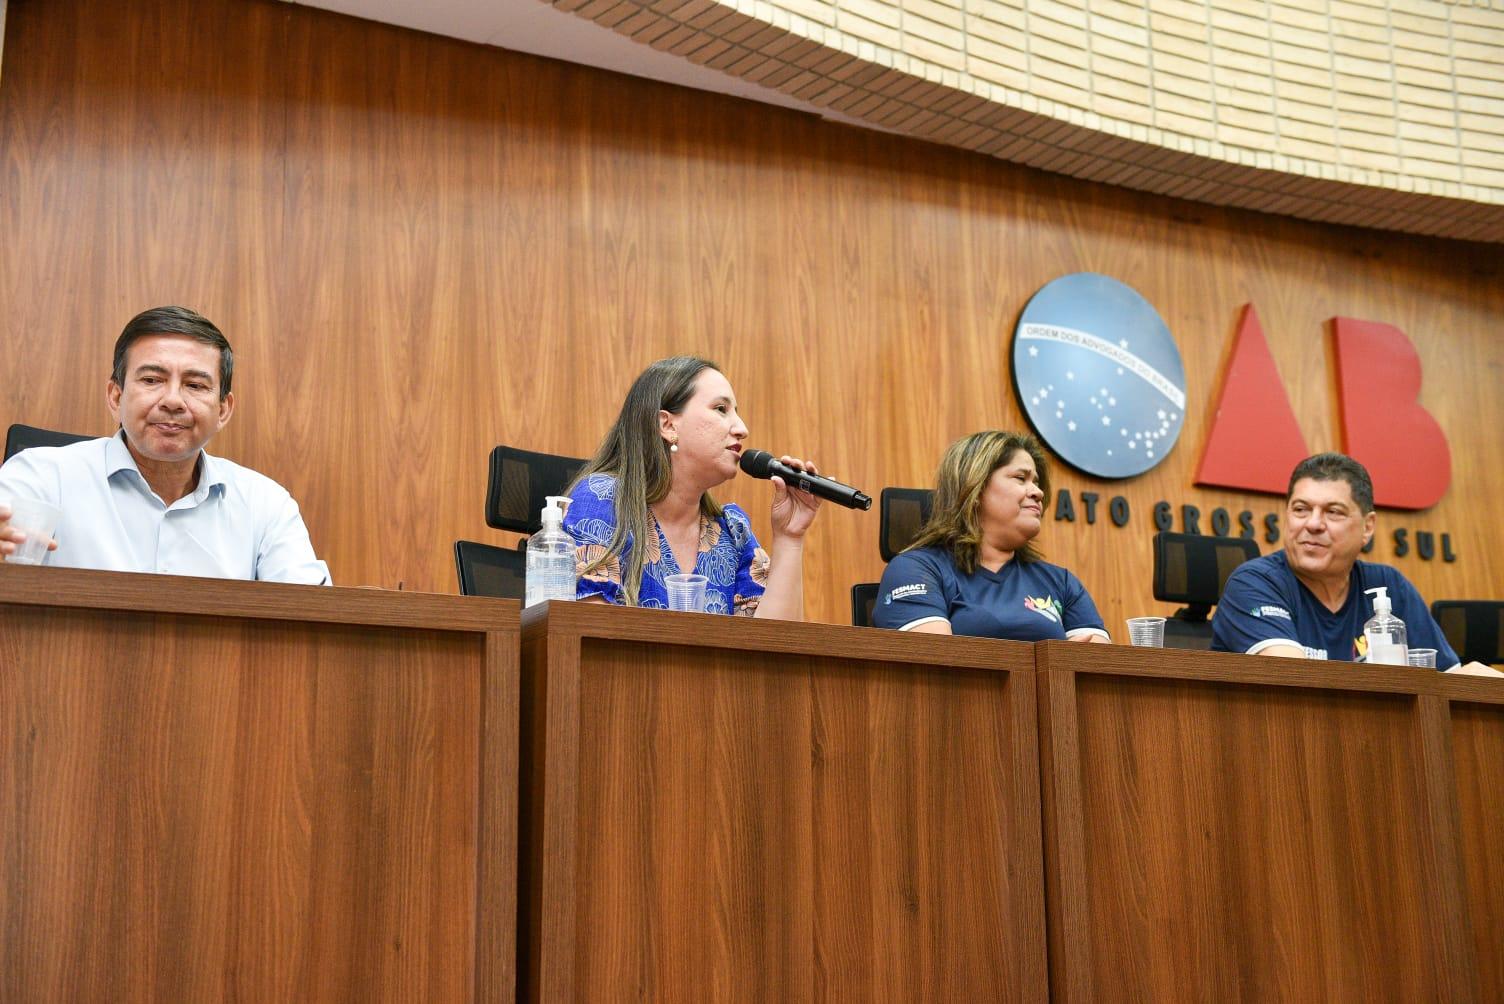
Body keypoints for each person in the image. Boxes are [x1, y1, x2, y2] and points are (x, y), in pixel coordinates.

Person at [0, 306, 329, 584]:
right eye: (152, 380)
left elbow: (311, 615)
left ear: (223, 410)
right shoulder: (40, 477)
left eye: (195, 384)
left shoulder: (265, 505)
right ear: (116, 397)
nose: (172, 400)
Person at [561, 356, 821, 619]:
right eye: (721, 409)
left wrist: (790, 537)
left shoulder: (732, 530)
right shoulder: (602, 499)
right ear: (668, 425)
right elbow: (590, 637)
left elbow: (776, 647)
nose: (742, 429)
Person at [1211, 452, 1463, 668]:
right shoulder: (1255, 583)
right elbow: (1291, 679)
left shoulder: (1388, 585)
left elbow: (1450, 681)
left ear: (1367, 526)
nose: (1313, 524)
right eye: (1301, 509)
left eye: (1333, 512)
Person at [873, 430, 1109, 641]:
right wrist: (1057, 660)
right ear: (975, 488)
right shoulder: (915, 570)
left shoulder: (1062, 582)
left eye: (1036, 482)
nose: (1038, 492)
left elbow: (1098, 670)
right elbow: (938, 666)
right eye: (1021, 478)